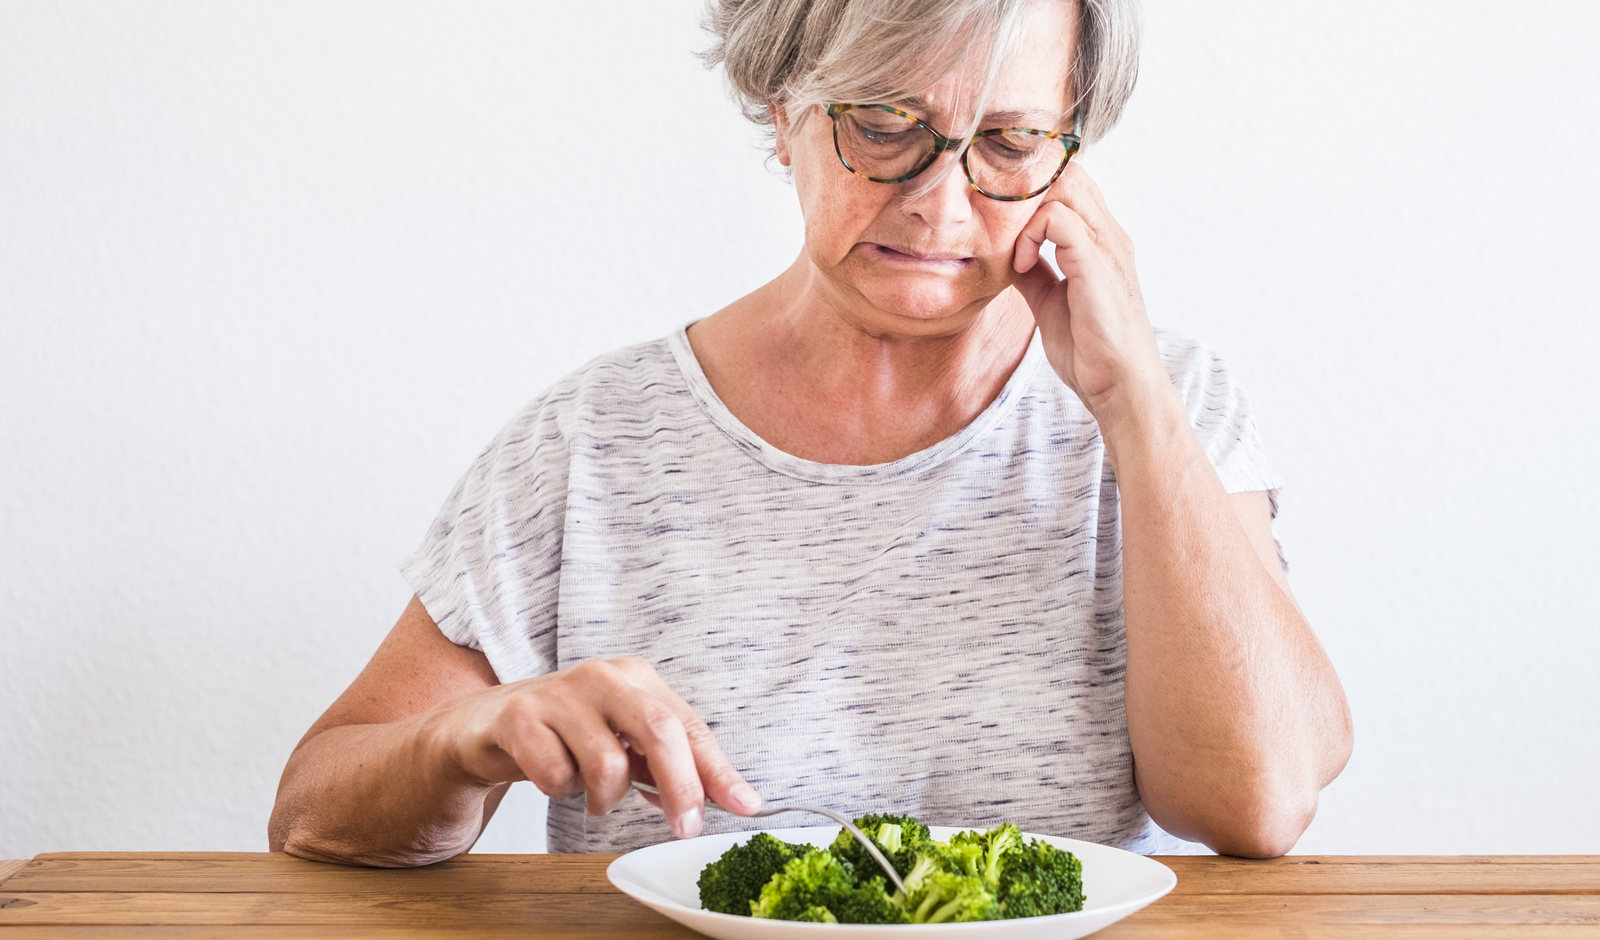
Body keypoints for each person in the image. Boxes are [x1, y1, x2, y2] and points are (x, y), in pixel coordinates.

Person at [269, 0, 1351, 866]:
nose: (940, 204)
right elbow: (315, 806)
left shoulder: (1169, 400)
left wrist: (1134, 404)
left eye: (1010, 142)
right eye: (883, 127)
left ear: (1072, 157)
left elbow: (1255, 804)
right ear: (781, 112)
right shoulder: (595, 440)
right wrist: (470, 735)